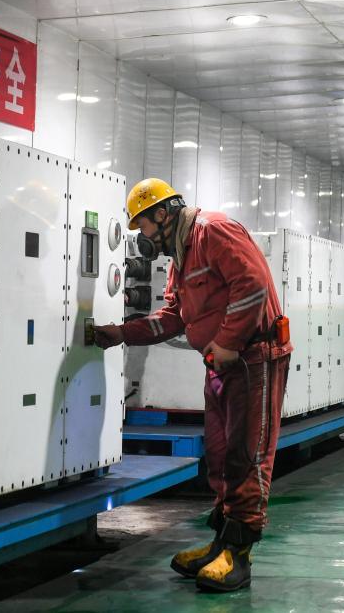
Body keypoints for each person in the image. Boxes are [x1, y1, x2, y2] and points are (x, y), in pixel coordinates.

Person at [93, 178, 292, 592]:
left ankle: (239, 556)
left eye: (143, 226)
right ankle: (221, 543)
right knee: (218, 456)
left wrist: (228, 342)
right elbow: (172, 317)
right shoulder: (181, 258)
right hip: (221, 364)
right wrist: (121, 333)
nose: (143, 237)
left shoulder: (214, 231)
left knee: (247, 455)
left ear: (162, 214)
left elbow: (252, 284)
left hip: (254, 358)